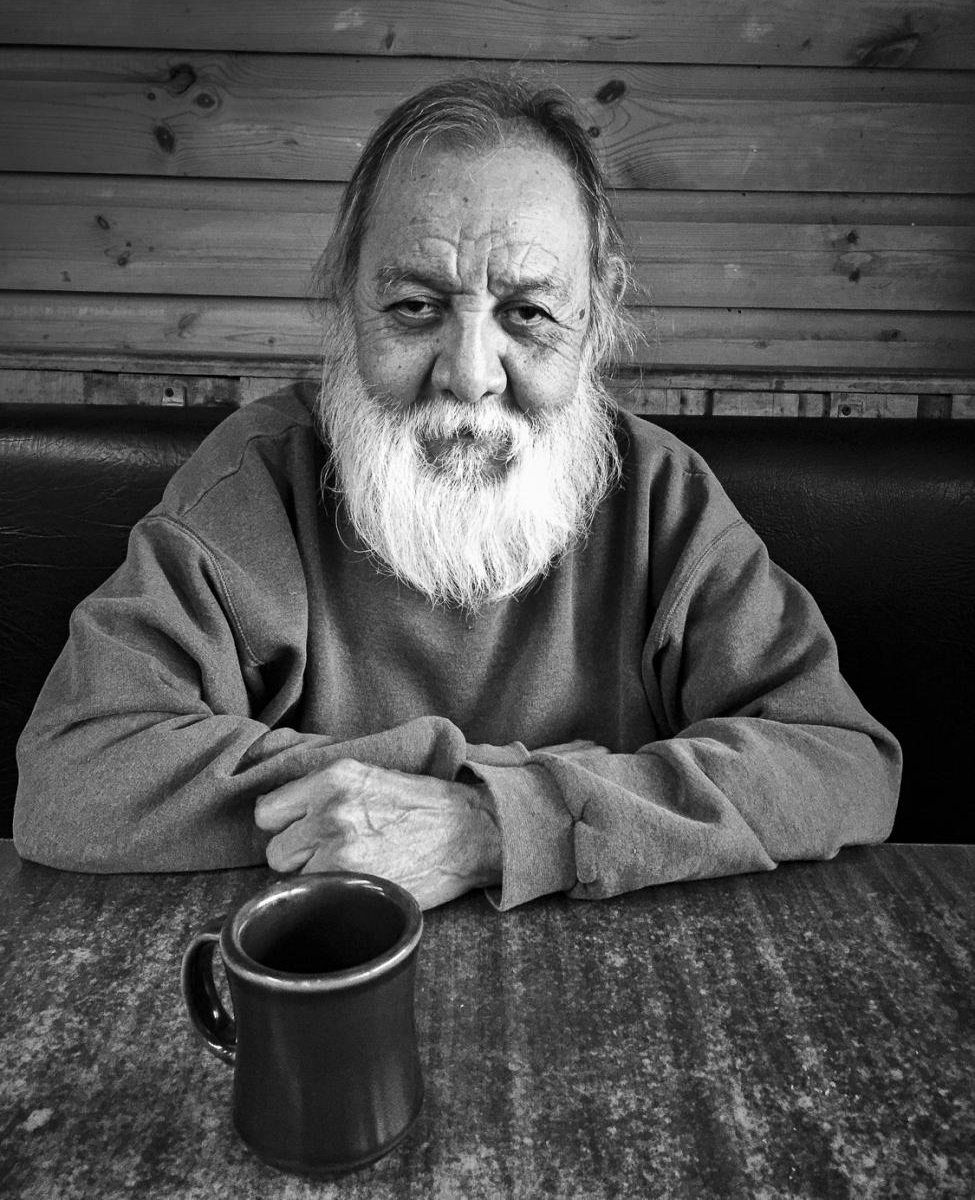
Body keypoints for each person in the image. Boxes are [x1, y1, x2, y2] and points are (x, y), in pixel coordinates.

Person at [13, 76, 901, 910]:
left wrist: (494, 824)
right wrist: (494, 784)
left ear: (595, 317)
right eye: (413, 307)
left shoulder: (662, 497)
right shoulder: (256, 483)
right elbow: (76, 778)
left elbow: (838, 761)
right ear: (345, 307)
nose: (471, 375)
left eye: (527, 313)